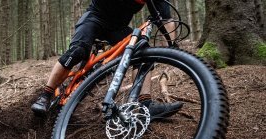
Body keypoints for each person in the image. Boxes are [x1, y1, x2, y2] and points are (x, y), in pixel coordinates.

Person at [31, 0, 183, 120]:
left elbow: (166, 19)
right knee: (78, 51)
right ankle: (45, 95)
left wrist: (171, 48)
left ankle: (145, 103)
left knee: (144, 54)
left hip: (118, 28)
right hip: (94, 18)